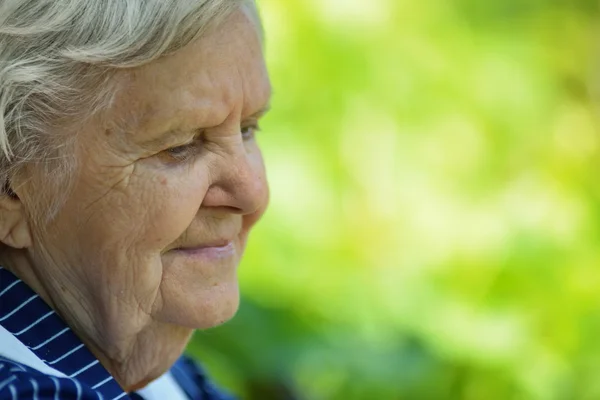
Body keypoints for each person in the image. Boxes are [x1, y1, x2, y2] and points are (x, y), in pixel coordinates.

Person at [0, 0, 271, 398]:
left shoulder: (155, 378)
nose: (252, 192)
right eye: (180, 146)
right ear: (10, 189)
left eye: (247, 129)